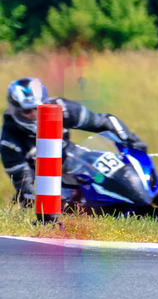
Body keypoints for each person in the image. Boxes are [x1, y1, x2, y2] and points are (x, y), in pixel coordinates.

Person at [1, 77, 146, 207]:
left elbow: (104, 122)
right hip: (44, 181)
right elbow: (25, 184)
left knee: (123, 173)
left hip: (74, 157)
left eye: (37, 108)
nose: (34, 115)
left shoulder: (61, 108)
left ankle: (146, 200)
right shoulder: (9, 140)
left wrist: (132, 143)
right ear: (16, 110)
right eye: (27, 112)